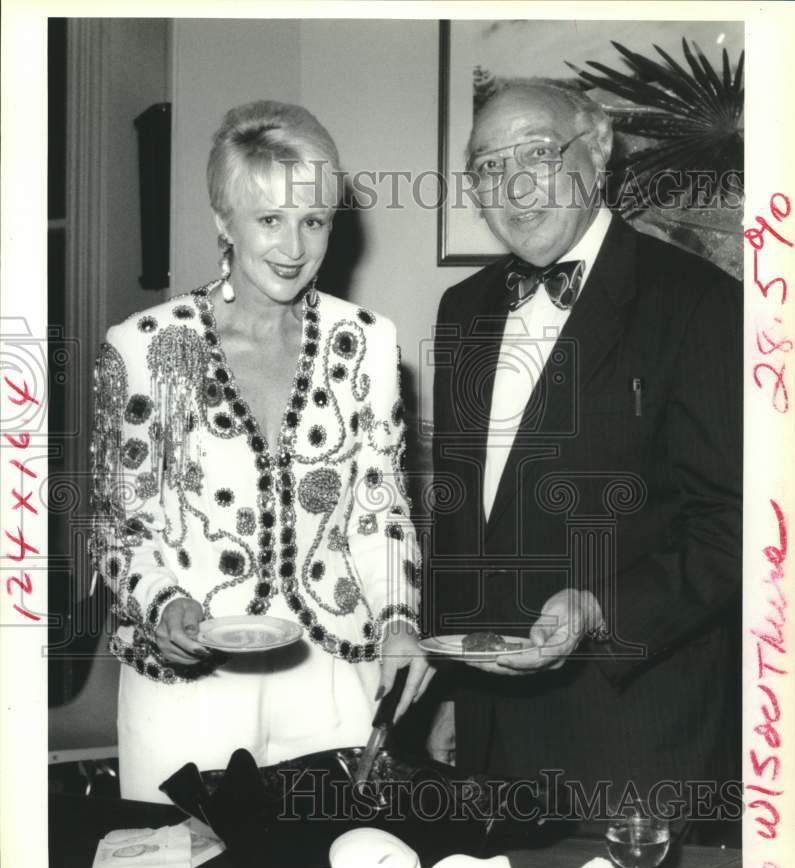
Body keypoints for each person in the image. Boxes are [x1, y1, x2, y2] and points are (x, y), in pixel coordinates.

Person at [90, 100, 432, 803]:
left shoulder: (366, 341)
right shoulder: (147, 346)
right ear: (224, 220)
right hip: (191, 687)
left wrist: (399, 621)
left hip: (335, 679)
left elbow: (380, 511)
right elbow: (121, 526)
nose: (294, 246)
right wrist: (165, 606)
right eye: (268, 219)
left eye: (313, 221)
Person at [427, 81, 741, 820]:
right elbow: (461, 522)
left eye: (536, 153)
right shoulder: (461, 309)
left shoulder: (698, 301)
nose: (513, 186)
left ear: (597, 151)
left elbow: (732, 527)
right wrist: (455, 695)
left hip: (635, 735)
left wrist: (599, 609)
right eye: (488, 166)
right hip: (490, 736)